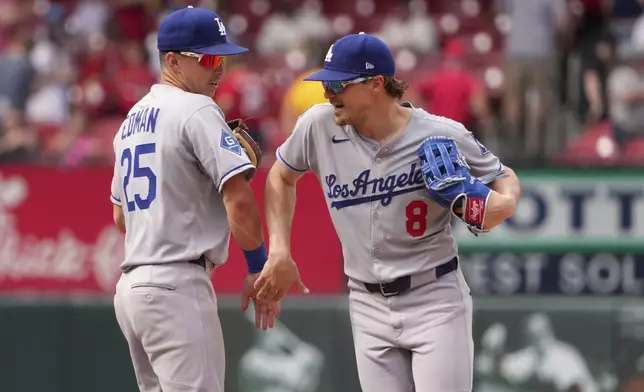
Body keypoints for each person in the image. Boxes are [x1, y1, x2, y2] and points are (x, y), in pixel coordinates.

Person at [255, 33, 521, 391]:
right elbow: (279, 177)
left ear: (376, 84)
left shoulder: (439, 133)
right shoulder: (317, 126)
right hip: (366, 301)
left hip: (434, 297)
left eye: (338, 83)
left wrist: (502, 204)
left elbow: (503, 176)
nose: (327, 93)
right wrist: (280, 250)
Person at [110, 7, 305, 392]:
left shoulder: (130, 120)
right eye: (209, 59)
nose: (220, 69)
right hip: (175, 286)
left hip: (132, 292)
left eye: (223, 59)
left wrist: (185, 190)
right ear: (172, 60)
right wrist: (256, 267)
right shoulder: (196, 108)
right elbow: (239, 198)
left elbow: (120, 217)